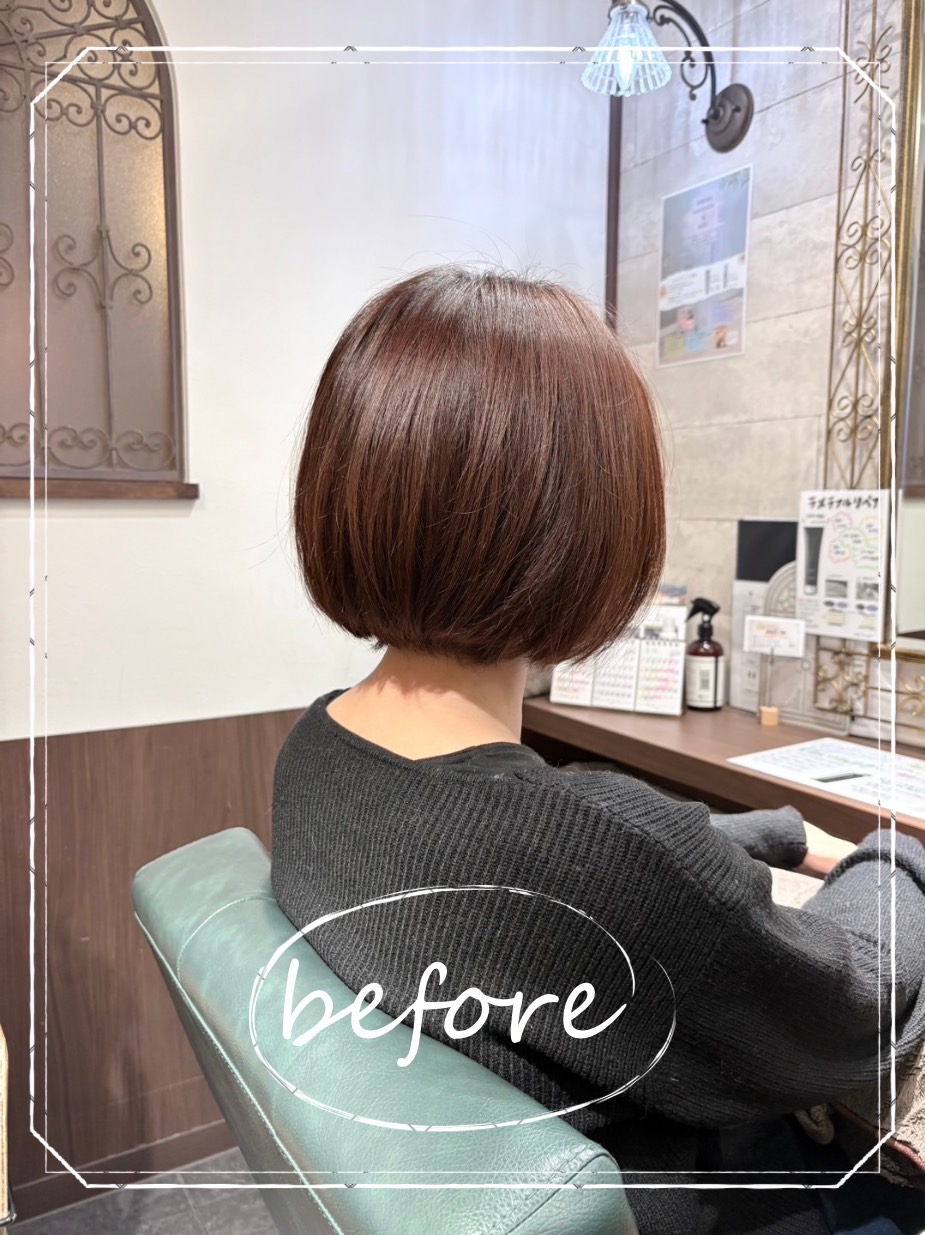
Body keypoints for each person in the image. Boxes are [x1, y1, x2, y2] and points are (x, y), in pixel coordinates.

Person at [271, 264, 925, 1235]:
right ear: (590, 528)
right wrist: (894, 849)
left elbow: (623, 854)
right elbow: (854, 998)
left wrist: (784, 835)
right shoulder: (587, 852)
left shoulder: (321, 747)